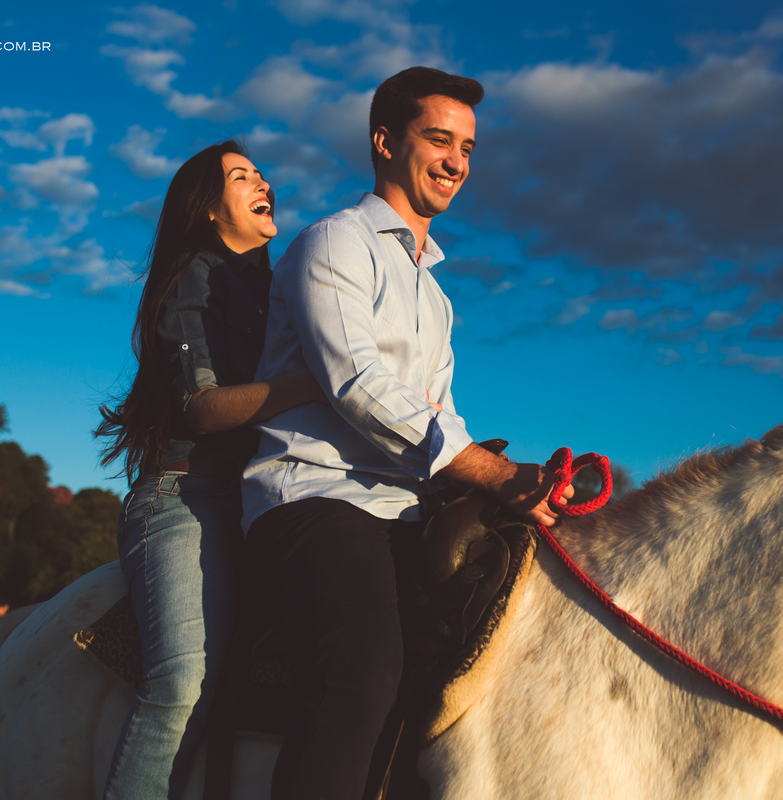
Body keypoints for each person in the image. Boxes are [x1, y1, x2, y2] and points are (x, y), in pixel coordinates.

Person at [241, 66, 574, 800]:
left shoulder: (435, 292)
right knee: (362, 669)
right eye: (439, 140)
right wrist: (489, 474)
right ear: (385, 142)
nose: (457, 162)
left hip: (405, 508)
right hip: (316, 499)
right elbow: (357, 385)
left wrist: (516, 484)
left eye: (468, 148)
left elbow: (438, 414)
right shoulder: (334, 242)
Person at [94, 140, 324, 800]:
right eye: (242, 177)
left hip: (263, 499)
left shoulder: (282, 291)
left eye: (262, 174)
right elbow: (202, 407)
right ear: (208, 211)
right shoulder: (195, 274)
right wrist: (319, 382)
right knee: (181, 683)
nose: (263, 184)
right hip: (185, 496)